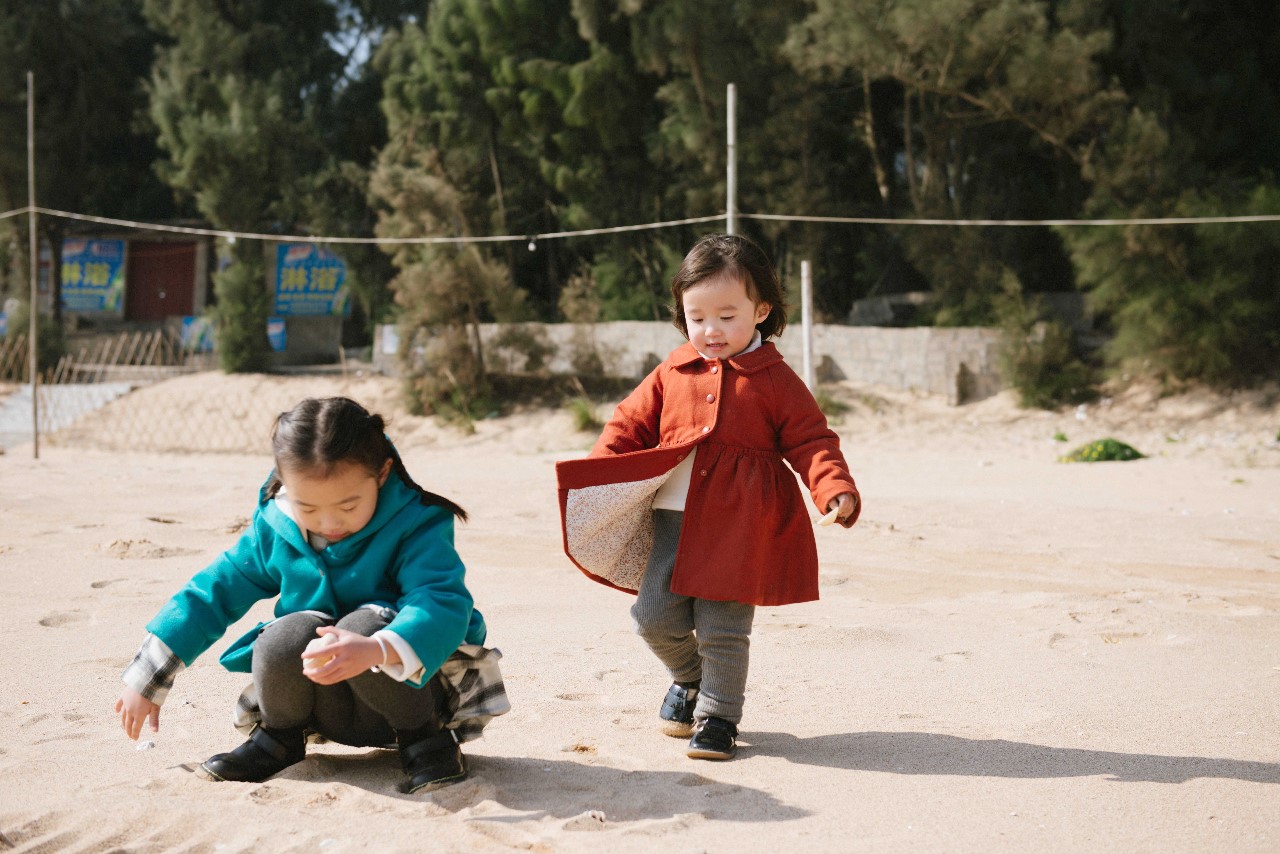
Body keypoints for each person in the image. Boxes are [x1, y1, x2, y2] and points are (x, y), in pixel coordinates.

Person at [556, 233, 861, 760]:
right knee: (652, 616)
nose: (710, 330)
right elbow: (627, 425)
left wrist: (832, 486)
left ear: (761, 310)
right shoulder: (672, 370)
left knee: (723, 627)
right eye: (697, 317)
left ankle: (719, 717)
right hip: (672, 520)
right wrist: (597, 472)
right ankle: (688, 677)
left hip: (742, 526)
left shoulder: (775, 380)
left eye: (726, 315)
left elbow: (812, 439)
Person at [114, 396, 508, 793]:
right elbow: (211, 593)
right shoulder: (275, 526)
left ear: (383, 473)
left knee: (363, 624)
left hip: (411, 697)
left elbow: (441, 600)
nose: (330, 522)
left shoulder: (416, 522)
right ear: (285, 484)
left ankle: (426, 743)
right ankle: (278, 740)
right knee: (285, 634)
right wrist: (147, 678)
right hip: (322, 706)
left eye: (349, 505)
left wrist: (378, 649)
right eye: (308, 507)